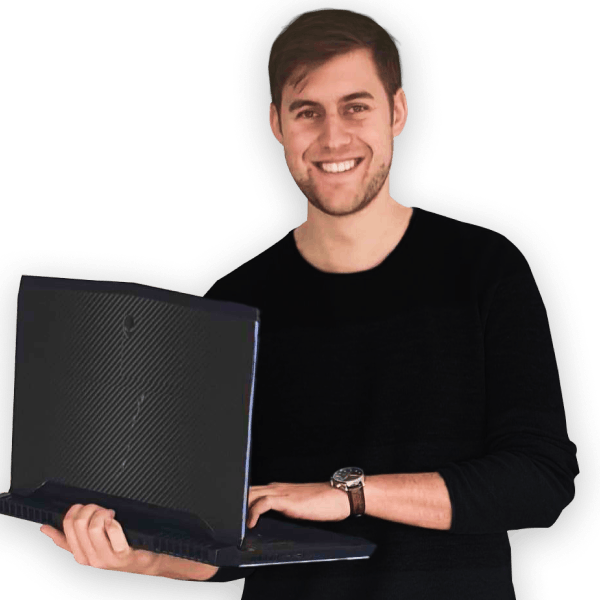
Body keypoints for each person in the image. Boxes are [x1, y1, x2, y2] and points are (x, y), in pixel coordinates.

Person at [38, 8, 579, 598]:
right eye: (307, 112)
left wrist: (350, 495)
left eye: (356, 107)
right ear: (277, 124)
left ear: (398, 111)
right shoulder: (235, 303)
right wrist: (139, 559)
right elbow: (225, 540)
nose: (333, 138)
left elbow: (540, 482)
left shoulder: (487, 267)